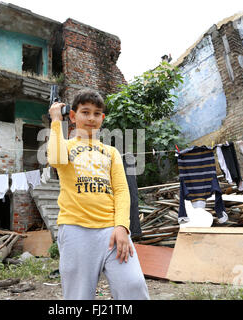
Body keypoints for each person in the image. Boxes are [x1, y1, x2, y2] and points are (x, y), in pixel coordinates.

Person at [47, 88, 150, 300]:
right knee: (78, 296)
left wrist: (122, 226)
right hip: (76, 229)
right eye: (85, 112)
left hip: (112, 231)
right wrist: (56, 120)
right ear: (73, 116)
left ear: (102, 118)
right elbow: (55, 160)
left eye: (96, 113)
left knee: (134, 285)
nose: (91, 118)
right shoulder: (65, 146)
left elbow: (121, 191)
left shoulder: (111, 152)